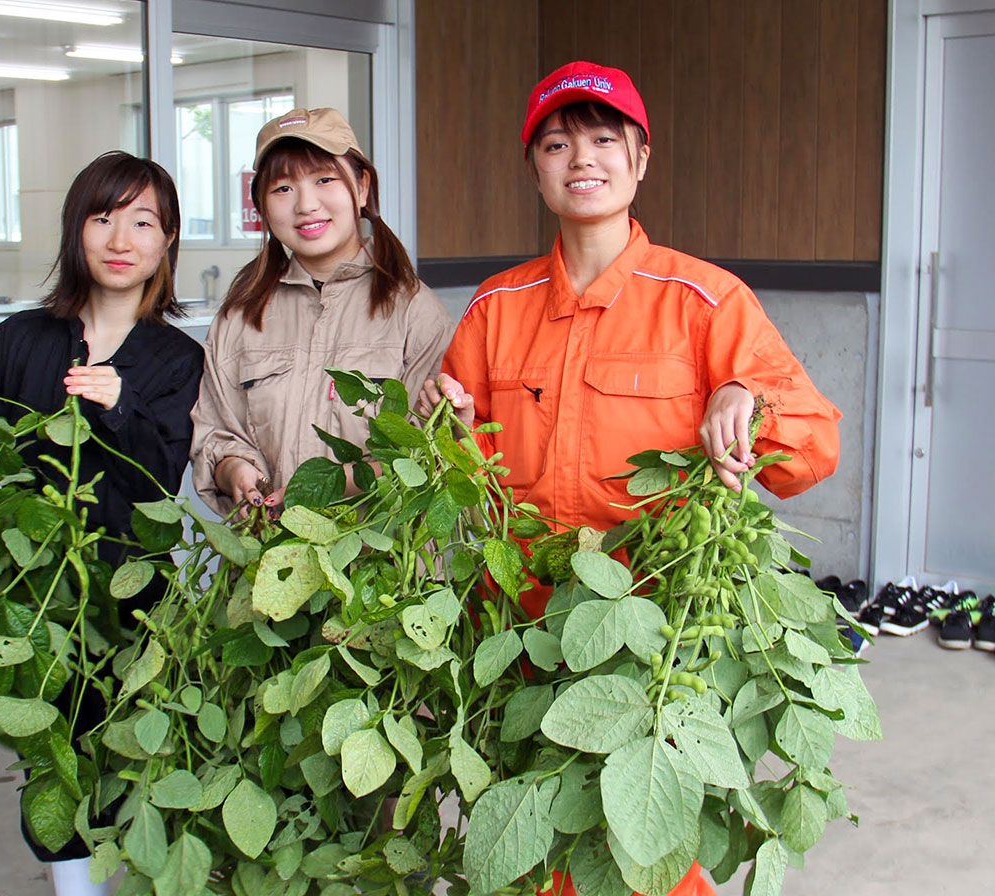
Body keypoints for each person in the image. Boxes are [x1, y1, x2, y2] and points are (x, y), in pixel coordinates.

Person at [418, 61, 842, 896]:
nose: (582, 157)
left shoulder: (704, 303)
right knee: (528, 854)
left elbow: (814, 447)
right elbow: (461, 478)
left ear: (641, 160)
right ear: (534, 166)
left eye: (604, 139)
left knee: (648, 855)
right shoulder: (494, 310)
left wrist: (745, 400)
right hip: (524, 636)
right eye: (557, 141)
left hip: (656, 645)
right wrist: (447, 432)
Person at [0, 150, 203, 896]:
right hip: (39, 600)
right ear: (77, 230)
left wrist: (122, 405)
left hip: (132, 602)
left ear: (167, 240)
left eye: (142, 221)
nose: (120, 238)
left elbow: (163, 478)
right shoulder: (21, 339)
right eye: (102, 217)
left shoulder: (176, 358)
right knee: (55, 761)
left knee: (136, 767)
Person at [190, 107, 452, 515]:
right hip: (268, 564)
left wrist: (327, 488)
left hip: (381, 569)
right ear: (261, 203)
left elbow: (429, 448)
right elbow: (215, 432)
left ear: (362, 188)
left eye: (325, 179)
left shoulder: (415, 312)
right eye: (283, 189)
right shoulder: (240, 316)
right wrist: (236, 471)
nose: (306, 204)